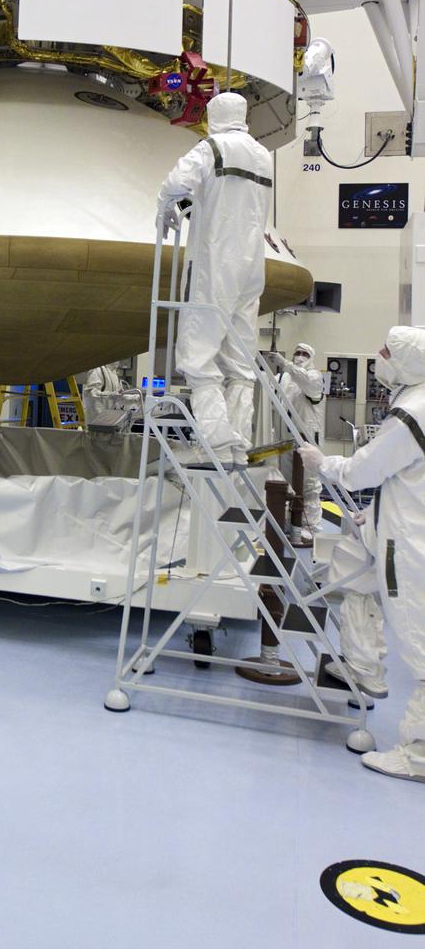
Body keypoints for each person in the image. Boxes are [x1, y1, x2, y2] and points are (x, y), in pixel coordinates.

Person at [300, 325, 425, 783]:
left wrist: (324, 462)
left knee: (419, 640)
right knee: (355, 571)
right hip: (396, 525)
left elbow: (365, 469)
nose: (380, 356)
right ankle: (363, 665)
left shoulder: (413, 412)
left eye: (388, 352)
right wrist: (372, 518)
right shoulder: (415, 398)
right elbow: (405, 479)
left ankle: (418, 756)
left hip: (411, 543)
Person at [157, 91, 272, 465]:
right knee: (240, 362)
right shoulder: (263, 155)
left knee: (197, 356)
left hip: (215, 260)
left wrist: (166, 208)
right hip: (252, 265)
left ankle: (216, 444)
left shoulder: (213, 149)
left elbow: (176, 181)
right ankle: (237, 443)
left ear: (213, 115)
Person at [269, 343, 325, 542]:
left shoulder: (314, 376)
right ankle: (287, 524)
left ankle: (311, 529)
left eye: (305, 354)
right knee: (285, 483)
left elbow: (305, 380)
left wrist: (284, 363)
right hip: (284, 439)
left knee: (309, 486)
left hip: (306, 440)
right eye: (297, 353)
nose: (300, 356)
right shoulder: (282, 378)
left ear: (311, 357)